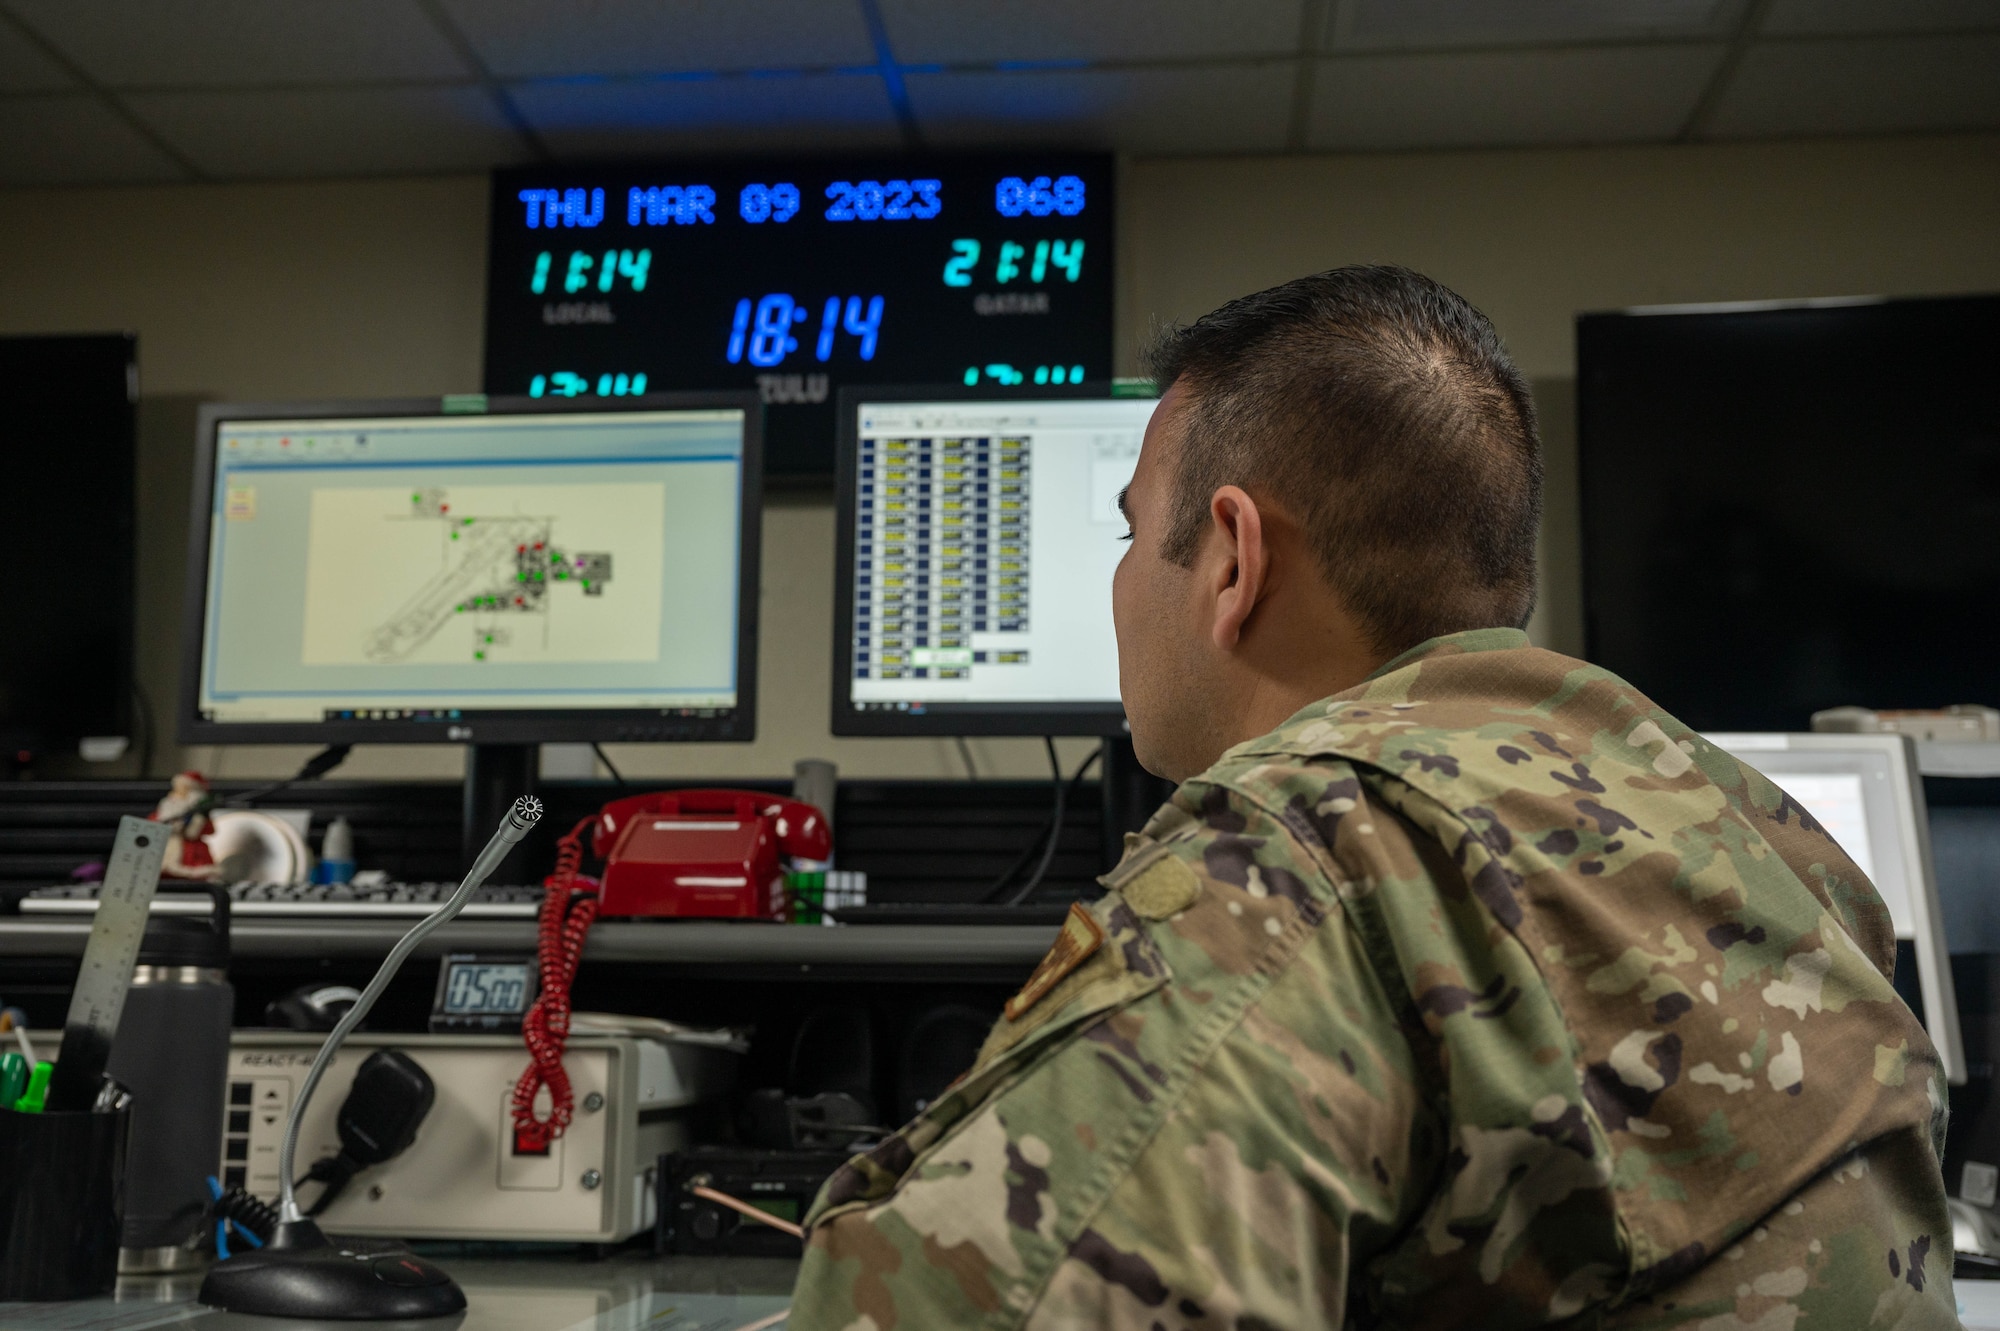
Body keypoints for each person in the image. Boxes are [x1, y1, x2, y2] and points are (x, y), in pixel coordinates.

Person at [789, 267, 1955, 1329]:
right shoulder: (1761, 830)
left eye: (1133, 531)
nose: (1121, 574)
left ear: (1233, 559)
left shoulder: (1301, 858)